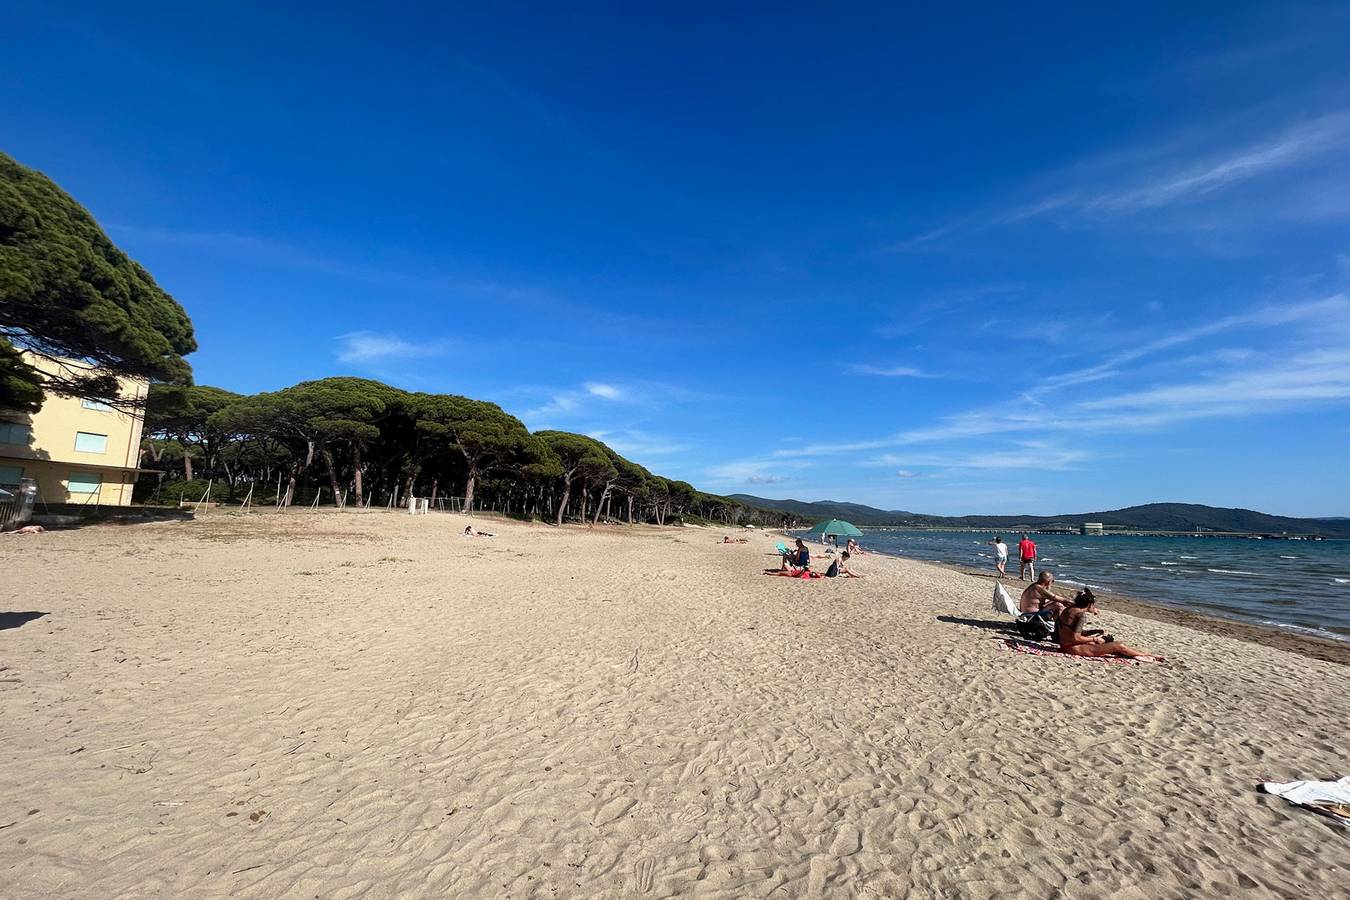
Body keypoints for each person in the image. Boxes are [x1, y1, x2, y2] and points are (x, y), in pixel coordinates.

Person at [1058, 593, 1163, 661]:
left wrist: (1095, 631)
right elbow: (1076, 638)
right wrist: (1095, 638)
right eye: (1093, 605)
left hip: (1065, 644)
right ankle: (1146, 655)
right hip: (1073, 648)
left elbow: (1071, 632)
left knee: (1104, 641)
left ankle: (1133, 654)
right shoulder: (1081, 615)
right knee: (1118, 645)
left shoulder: (1069, 610)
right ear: (1089, 605)